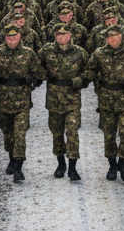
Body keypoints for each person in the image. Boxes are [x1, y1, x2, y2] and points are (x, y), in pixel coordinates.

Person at [84, 26, 124, 181]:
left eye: (117, 37)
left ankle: (122, 163)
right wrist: (80, 81)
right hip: (106, 99)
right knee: (109, 134)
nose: (114, 40)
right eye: (111, 38)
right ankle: (112, 164)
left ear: (122, 37)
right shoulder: (99, 53)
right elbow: (90, 70)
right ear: (106, 39)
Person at [0, 24, 44, 183]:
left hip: (22, 100)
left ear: (19, 37)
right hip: (4, 99)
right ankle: (11, 159)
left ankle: (19, 168)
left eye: (14, 37)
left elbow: (39, 71)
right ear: (5, 38)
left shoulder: (28, 53)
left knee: (20, 133)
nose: (11, 40)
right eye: (9, 37)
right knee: (8, 133)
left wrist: (34, 82)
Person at [38, 24, 88, 181]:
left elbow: (89, 70)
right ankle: (61, 163)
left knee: (72, 132)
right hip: (54, 98)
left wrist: (80, 81)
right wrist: (43, 75)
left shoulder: (79, 52)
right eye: (58, 35)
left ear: (70, 35)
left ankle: (73, 167)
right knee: (57, 133)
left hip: (72, 98)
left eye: (64, 34)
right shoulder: (46, 50)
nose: (61, 37)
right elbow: (36, 66)